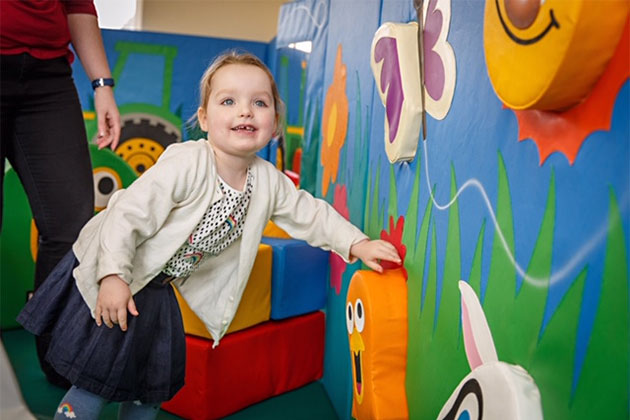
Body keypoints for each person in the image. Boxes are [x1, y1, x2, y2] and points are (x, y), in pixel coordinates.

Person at [17, 51, 401, 420]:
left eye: (260, 103)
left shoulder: (267, 181)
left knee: (152, 382)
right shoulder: (187, 162)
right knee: (96, 377)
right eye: (229, 101)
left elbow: (310, 214)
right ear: (203, 117)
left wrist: (356, 242)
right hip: (115, 266)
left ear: (276, 123)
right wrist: (114, 275)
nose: (245, 111)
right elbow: (126, 214)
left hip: (157, 287)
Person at [0, 0, 121, 389]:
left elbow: (77, 4)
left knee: (71, 225)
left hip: (48, 80)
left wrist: (102, 85)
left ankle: (58, 355)